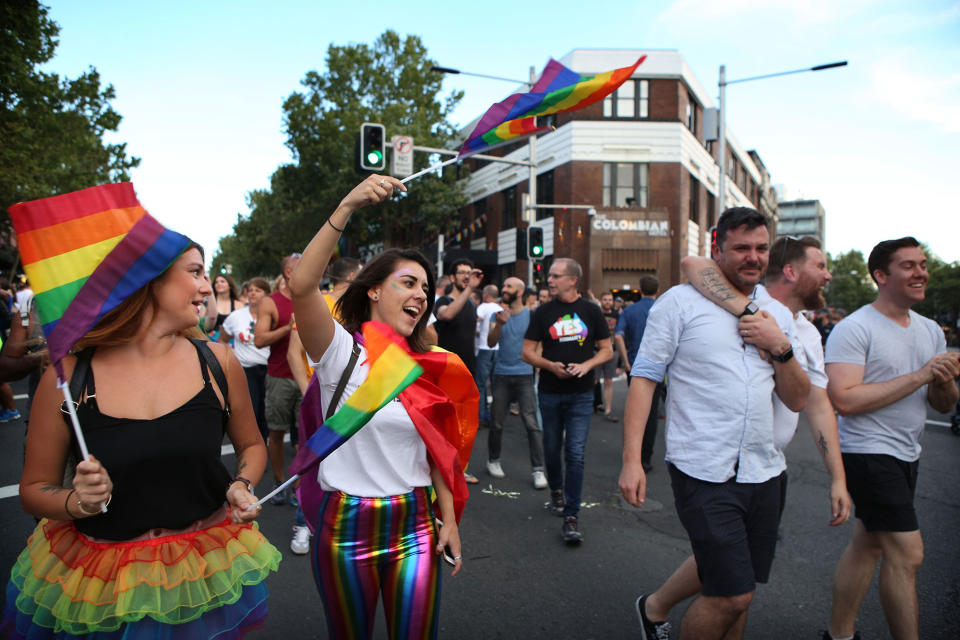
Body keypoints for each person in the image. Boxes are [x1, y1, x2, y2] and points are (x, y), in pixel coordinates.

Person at [1, 243, 279, 639]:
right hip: (102, 582)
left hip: (203, 568)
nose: (206, 285)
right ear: (147, 281)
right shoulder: (68, 377)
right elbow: (32, 490)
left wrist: (241, 484)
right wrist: (77, 501)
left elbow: (252, 446)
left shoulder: (219, 361)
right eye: (196, 272)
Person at [634, 235, 852, 639]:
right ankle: (655, 608)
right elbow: (694, 262)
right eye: (820, 267)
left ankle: (655, 606)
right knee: (731, 592)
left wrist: (837, 478)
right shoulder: (728, 298)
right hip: (712, 467)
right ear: (791, 271)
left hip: (768, 468)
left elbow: (817, 405)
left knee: (741, 588)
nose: (828, 275)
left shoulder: (807, 332)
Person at [289, 174, 477, 640]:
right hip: (344, 526)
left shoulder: (428, 366)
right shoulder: (339, 353)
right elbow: (303, 286)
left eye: (426, 289)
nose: (421, 294)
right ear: (373, 290)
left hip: (414, 523)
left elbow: (438, 452)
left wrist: (449, 519)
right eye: (408, 282)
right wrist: (348, 204)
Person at [822, 237, 960, 640]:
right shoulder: (855, 328)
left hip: (906, 452)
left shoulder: (931, 330)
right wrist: (921, 374)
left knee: (869, 545)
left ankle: (839, 634)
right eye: (909, 266)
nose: (921, 273)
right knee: (907, 553)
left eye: (922, 264)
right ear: (881, 276)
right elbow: (843, 400)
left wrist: (945, 381)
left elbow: (942, 404)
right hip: (866, 451)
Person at [522, 257, 613, 544]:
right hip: (549, 392)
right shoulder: (542, 312)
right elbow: (527, 353)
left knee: (575, 452)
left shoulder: (591, 311)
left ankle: (571, 515)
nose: (549, 280)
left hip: (581, 395)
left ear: (573, 280)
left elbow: (607, 350)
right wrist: (550, 366)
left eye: (556, 276)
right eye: (549, 276)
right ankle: (556, 491)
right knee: (551, 449)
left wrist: (586, 366)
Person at [286, 256, 362, 556]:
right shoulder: (320, 303)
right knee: (312, 461)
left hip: (356, 400)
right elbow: (294, 353)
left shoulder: (362, 310)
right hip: (319, 399)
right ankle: (302, 524)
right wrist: (310, 397)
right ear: (355, 275)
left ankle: (341, 526)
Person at [486, 276, 547, 489]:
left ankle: (538, 470)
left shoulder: (531, 316)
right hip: (501, 374)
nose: (504, 288)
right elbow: (491, 342)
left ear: (519, 292)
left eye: (508, 286)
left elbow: (539, 343)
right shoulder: (498, 314)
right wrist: (500, 324)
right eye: (504, 285)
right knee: (497, 422)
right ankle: (493, 460)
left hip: (524, 375)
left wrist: (536, 365)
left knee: (532, 423)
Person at [255, 253, 302, 505]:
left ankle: (298, 484)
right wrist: (288, 327)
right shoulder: (270, 302)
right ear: (288, 273)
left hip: (307, 377)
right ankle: (278, 480)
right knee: (276, 433)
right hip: (279, 377)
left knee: (306, 434)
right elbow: (259, 339)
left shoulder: (312, 299)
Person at [614, 275, 661, 471]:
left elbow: (618, 335)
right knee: (652, 412)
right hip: (658, 366)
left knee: (634, 410)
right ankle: (646, 457)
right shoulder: (662, 309)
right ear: (656, 291)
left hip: (635, 365)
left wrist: (625, 361)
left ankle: (633, 452)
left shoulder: (629, 310)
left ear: (640, 290)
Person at [220, 277, 271, 442]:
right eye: (250, 290)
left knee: (266, 413)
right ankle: (253, 449)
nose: (253, 293)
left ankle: (264, 445)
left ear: (267, 294)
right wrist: (230, 356)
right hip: (246, 370)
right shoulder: (236, 317)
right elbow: (222, 341)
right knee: (252, 412)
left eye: (258, 290)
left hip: (270, 370)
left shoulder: (273, 315)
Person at [434, 258, 483, 375]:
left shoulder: (471, 304)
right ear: (452, 278)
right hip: (448, 368)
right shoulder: (444, 300)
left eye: (469, 273)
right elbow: (446, 314)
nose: (467, 277)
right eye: (462, 273)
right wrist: (470, 288)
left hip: (468, 368)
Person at [475, 284, 501, 427]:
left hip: (484, 348)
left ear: (485, 295)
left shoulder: (483, 308)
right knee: (496, 386)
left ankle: (480, 417)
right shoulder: (501, 309)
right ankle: (495, 418)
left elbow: (475, 323)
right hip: (498, 349)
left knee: (480, 385)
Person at [596, 291, 622, 422]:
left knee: (608, 381)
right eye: (605, 299)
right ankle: (589, 406)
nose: (607, 302)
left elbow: (620, 336)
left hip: (612, 351)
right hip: (596, 351)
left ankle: (608, 409)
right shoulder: (596, 314)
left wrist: (620, 362)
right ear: (601, 301)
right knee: (592, 381)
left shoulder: (617, 315)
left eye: (610, 300)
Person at [202, 273, 240, 340]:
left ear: (230, 286)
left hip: (231, 342)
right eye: (216, 282)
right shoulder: (208, 304)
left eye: (222, 281)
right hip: (211, 341)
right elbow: (201, 324)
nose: (219, 284)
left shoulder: (238, 304)